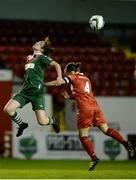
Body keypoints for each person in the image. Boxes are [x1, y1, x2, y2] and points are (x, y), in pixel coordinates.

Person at [45, 62, 135, 171]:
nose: (66, 75)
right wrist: (70, 97)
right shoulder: (86, 78)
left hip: (85, 108)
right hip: (95, 107)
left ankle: (94, 158)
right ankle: (125, 143)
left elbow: (58, 83)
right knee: (106, 130)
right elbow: (83, 94)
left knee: (83, 136)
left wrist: (43, 84)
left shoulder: (73, 76)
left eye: (66, 73)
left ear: (71, 72)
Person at [4, 37, 63, 137]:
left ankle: (52, 120)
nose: (36, 42)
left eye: (39, 43)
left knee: (42, 122)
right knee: (8, 109)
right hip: (25, 91)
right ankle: (22, 124)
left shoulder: (42, 57)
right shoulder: (29, 58)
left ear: (42, 50)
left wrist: (59, 77)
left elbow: (56, 65)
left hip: (37, 93)